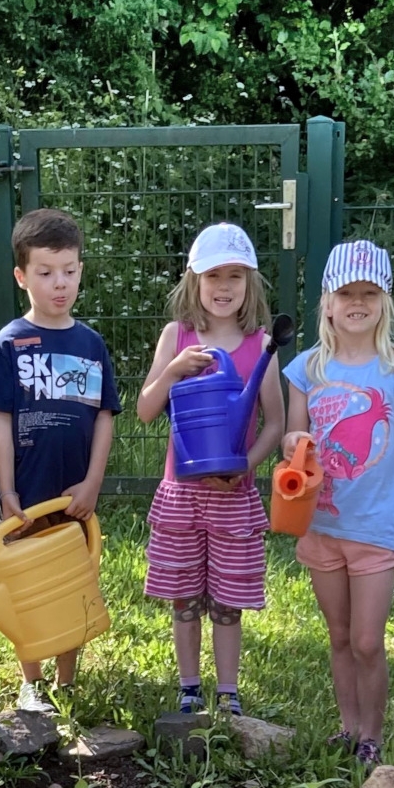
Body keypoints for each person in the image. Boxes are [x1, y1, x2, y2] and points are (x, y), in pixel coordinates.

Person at [283, 241, 394, 763]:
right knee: (339, 636)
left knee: (367, 640)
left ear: (384, 301)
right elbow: (293, 434)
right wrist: (293, 444)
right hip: (320, 523)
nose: (357, 302)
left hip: (376, 527)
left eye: (369, 292)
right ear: (328, 303)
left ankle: (373, 737)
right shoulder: (306, 368)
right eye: (347, 292)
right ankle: (349, 727)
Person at [135, 224, 285, 722]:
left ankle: (228, 691)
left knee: (228, 599)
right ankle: (189, 687)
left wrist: (246, 466)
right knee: (185, 596)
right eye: (214, 275)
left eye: (236, 276)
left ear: (250, 284)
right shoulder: (176, 337)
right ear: (194, 280)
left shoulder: (260, 344)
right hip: (181, 491)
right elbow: (144, 410)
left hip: (232, 493)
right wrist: (174, 369)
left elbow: (275, 421)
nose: (224, 286)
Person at [0, 206, 120, 718]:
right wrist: (7, 489)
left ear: (80, 269)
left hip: (74, 492)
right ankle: (31, 681)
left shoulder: (91, 344)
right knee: (28, 587)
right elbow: (0, 419)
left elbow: (105, 415)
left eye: (69, 271)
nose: (59, 284)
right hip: (26, 491)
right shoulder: (10, 343)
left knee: (71, 579)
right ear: (21, 276)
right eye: (45, 272)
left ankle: (67, 680)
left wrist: (93, 483)